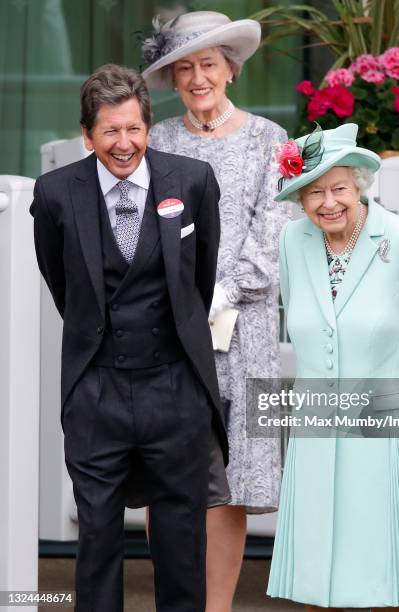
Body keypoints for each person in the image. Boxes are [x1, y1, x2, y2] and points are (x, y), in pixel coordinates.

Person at [30, 63, 228, 612]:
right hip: (96, 390)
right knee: (96, 538)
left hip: (176, 387)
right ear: (88, 134)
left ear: (148, 126)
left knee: (181, 539)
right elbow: (64, 285)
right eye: (110, 131)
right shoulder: (53, 194)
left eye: (134, 128)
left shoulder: (191, 181)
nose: (125, 144)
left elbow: (201, 277)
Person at [267, 123, 399, 611]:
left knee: (385, 575)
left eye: (338, 187)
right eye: (314, 192)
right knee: (320, 578)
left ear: (358, 184)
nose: (328, 202)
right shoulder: (293, 244)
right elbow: (305, 324)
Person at [140, 11, 290, 611]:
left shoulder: (269, 141)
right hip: (169, 333)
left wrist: (218, 298)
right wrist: (179, 305)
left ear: (231, 68)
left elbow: (274, 232)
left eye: (208, 64)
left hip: (242, 330)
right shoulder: (157, 141)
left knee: (224, 484)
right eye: (184, 69)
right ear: (174, 79)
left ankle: (217, 608)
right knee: (165, 471)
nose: (198, 78)